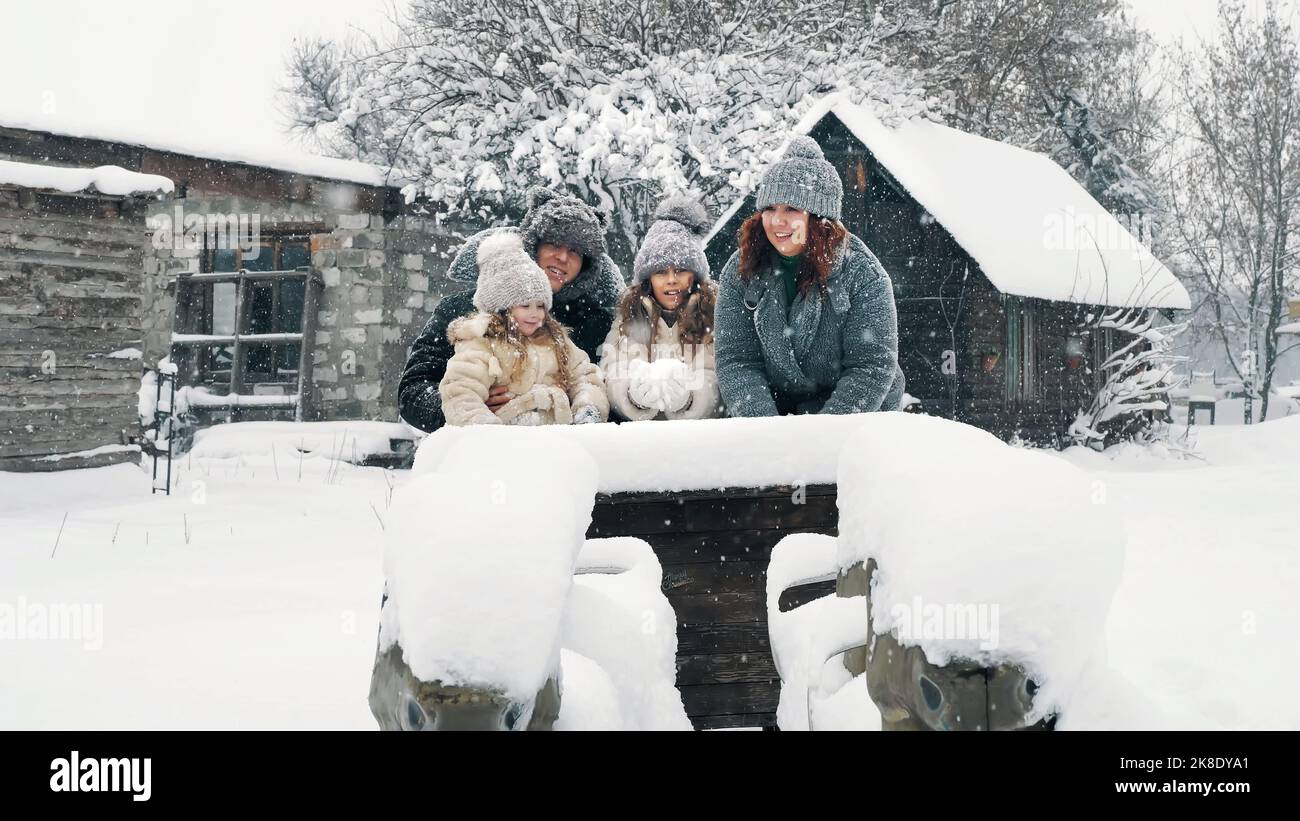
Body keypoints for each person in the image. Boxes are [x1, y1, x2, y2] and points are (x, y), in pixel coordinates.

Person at [398, 186, 623, 432]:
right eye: (554, 243)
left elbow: (608, 392)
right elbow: (413, 391)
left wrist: (571, 407)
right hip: (485, 454)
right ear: (533, 245)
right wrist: (468, 408)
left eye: (576, 251)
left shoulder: (597, 323)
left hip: (564, 453)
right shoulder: (462, 311)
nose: (562, 257)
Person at [714, 135, 906, 416]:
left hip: (856, 412)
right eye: (769, 208)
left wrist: (822, 437)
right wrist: (764, 430)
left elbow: (871, 366)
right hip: (777, 409)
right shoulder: (741, 271)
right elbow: (737, 361)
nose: (777, 220)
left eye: (791, 209)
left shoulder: (864, 274)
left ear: (818, 219)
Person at [438, 233, 608, 426]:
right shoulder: (484, 342)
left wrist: (587, 407)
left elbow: (585, 375)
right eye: (525, 306)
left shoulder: (555, 340)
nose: (535, 314)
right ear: (503, 308)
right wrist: (484, 428)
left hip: (558, 440)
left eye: (541, 306)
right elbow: (462, 390)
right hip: (509, 441)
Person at [598, 196, 723, 421]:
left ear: (695, 275)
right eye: (661, 272)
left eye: (681, 270)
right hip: (642, 438)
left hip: (701, 435)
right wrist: (631, 394)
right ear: (648, 279)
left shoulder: (713, 314)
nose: (671, 280)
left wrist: (692, 398)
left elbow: (717, 374)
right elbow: (612, 368)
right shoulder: (631, 314)